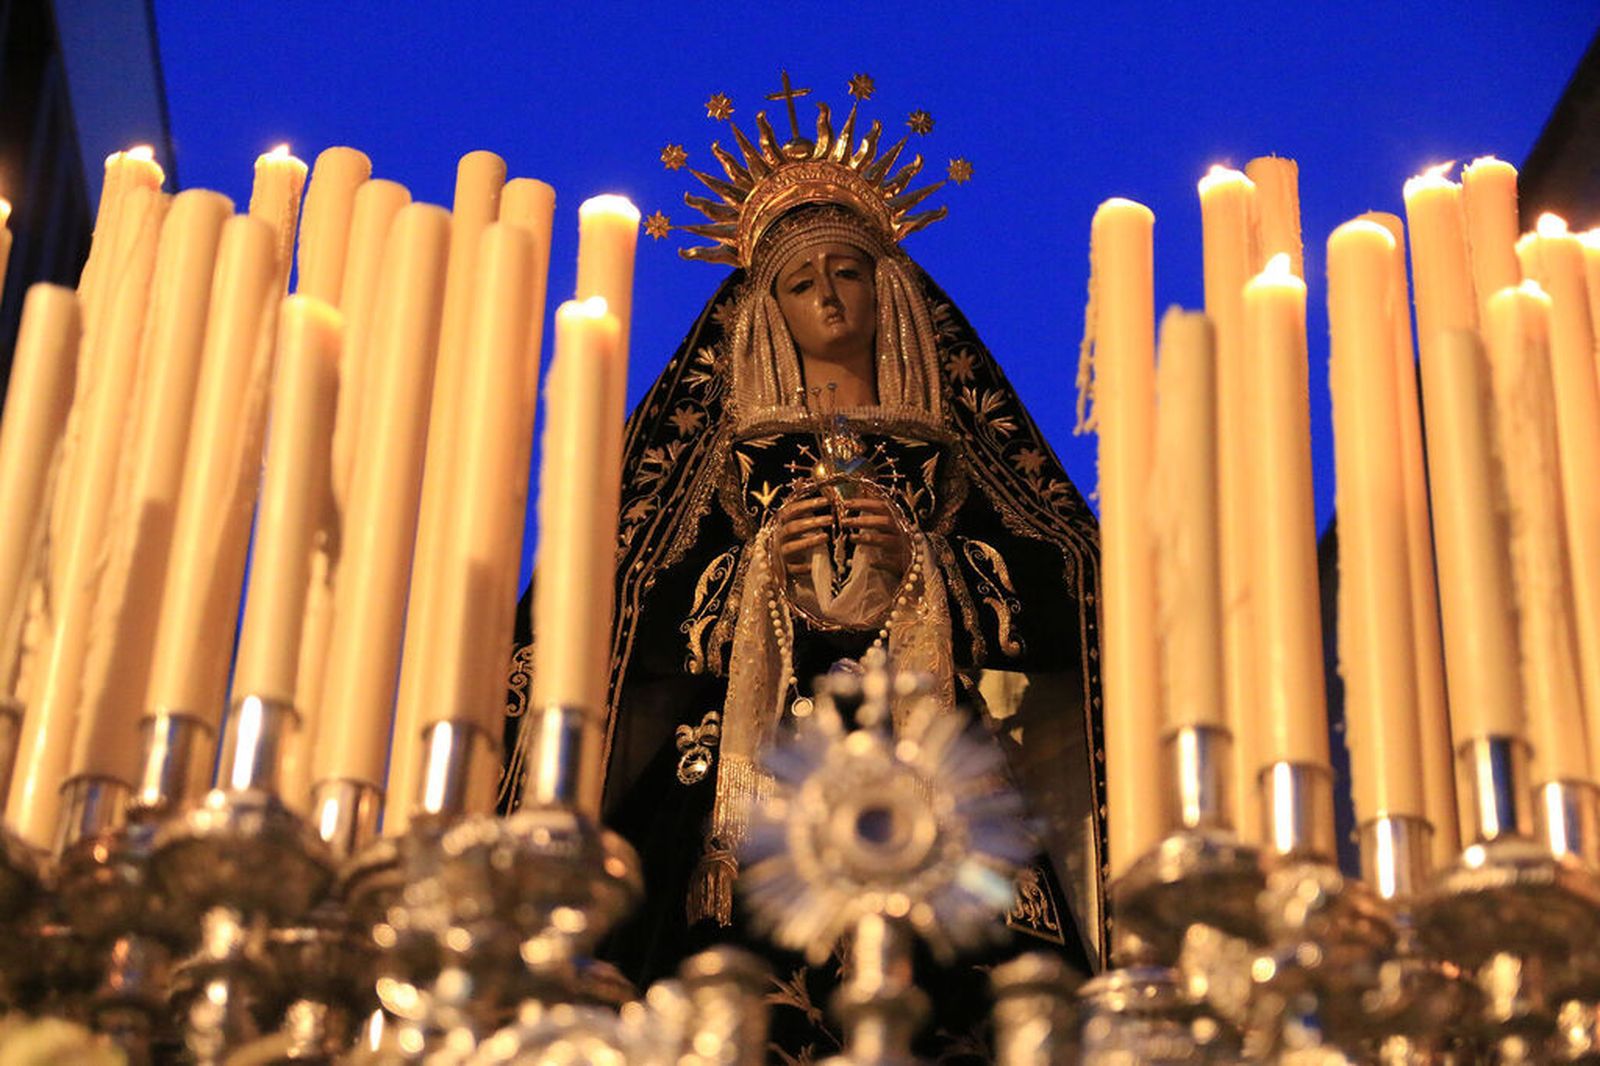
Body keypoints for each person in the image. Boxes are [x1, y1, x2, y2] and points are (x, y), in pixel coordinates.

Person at [504, 79, 1105, 1060]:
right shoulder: (722, 455)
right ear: (766, 309)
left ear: (888, 288)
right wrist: (756, 572)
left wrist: (921, 564)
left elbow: (1068, 593)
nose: (828, 296)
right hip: (746, 783)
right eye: (800, 281)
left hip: (931, 772)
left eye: (848, 271)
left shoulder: (951, 451)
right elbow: (613, 603)